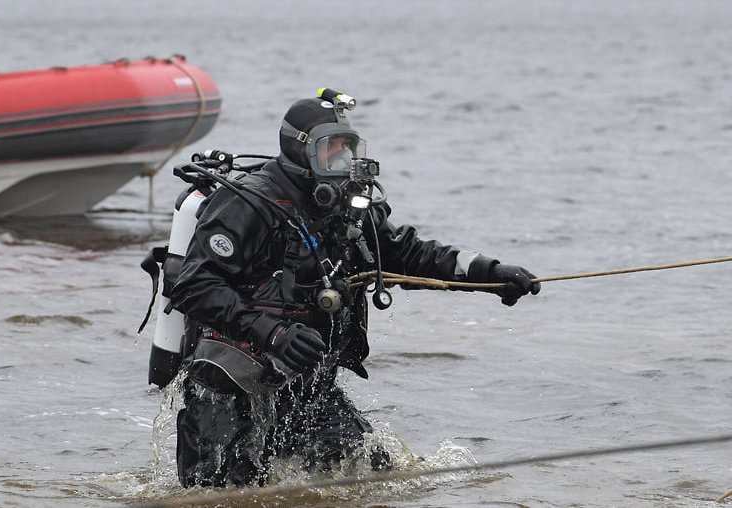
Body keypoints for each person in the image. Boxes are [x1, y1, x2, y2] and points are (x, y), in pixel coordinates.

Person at [166, 90, 541, 488]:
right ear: (301, 149)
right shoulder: (248, 203)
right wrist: (271, 332)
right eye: (333, 149)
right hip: (227, 386)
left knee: (371, 478)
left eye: (349, 148)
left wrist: (489, 273)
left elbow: (407, 254)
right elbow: (193, 285)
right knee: (222, 495)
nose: (343, 160)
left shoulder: (347, 206)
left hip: (305, 385)